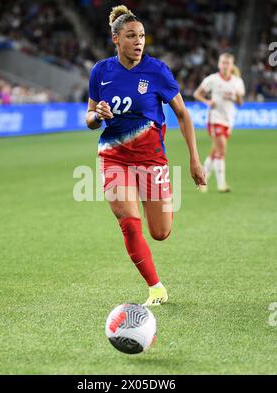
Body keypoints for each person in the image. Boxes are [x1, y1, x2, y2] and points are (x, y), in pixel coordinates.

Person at [86, 5, 206, 306]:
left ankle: (154, 268)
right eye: (131, 36)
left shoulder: (157, 71)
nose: (138, 42)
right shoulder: (101, 71)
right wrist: (96, 115)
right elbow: (89, 118)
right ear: (116, 39)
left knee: (161, 232)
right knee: (128, 220)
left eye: (141, 36)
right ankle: (155, 287)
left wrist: (194, 158)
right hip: (113, 156)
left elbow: (182, 114)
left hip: (151, 160)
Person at [194, 53, 245, 192]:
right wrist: (207, 101)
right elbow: (197, 93)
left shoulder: (237, 82)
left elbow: (240, 103)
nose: (225, 65)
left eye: (228, 63)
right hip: (215, 119)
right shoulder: (213, 80)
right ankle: (221, 185)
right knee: (221, 149)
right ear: (219, 64)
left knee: (216, 150)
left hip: (229, 120)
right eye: (223, 62)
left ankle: (202, 177)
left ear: (231, 65)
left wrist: (238, 95)